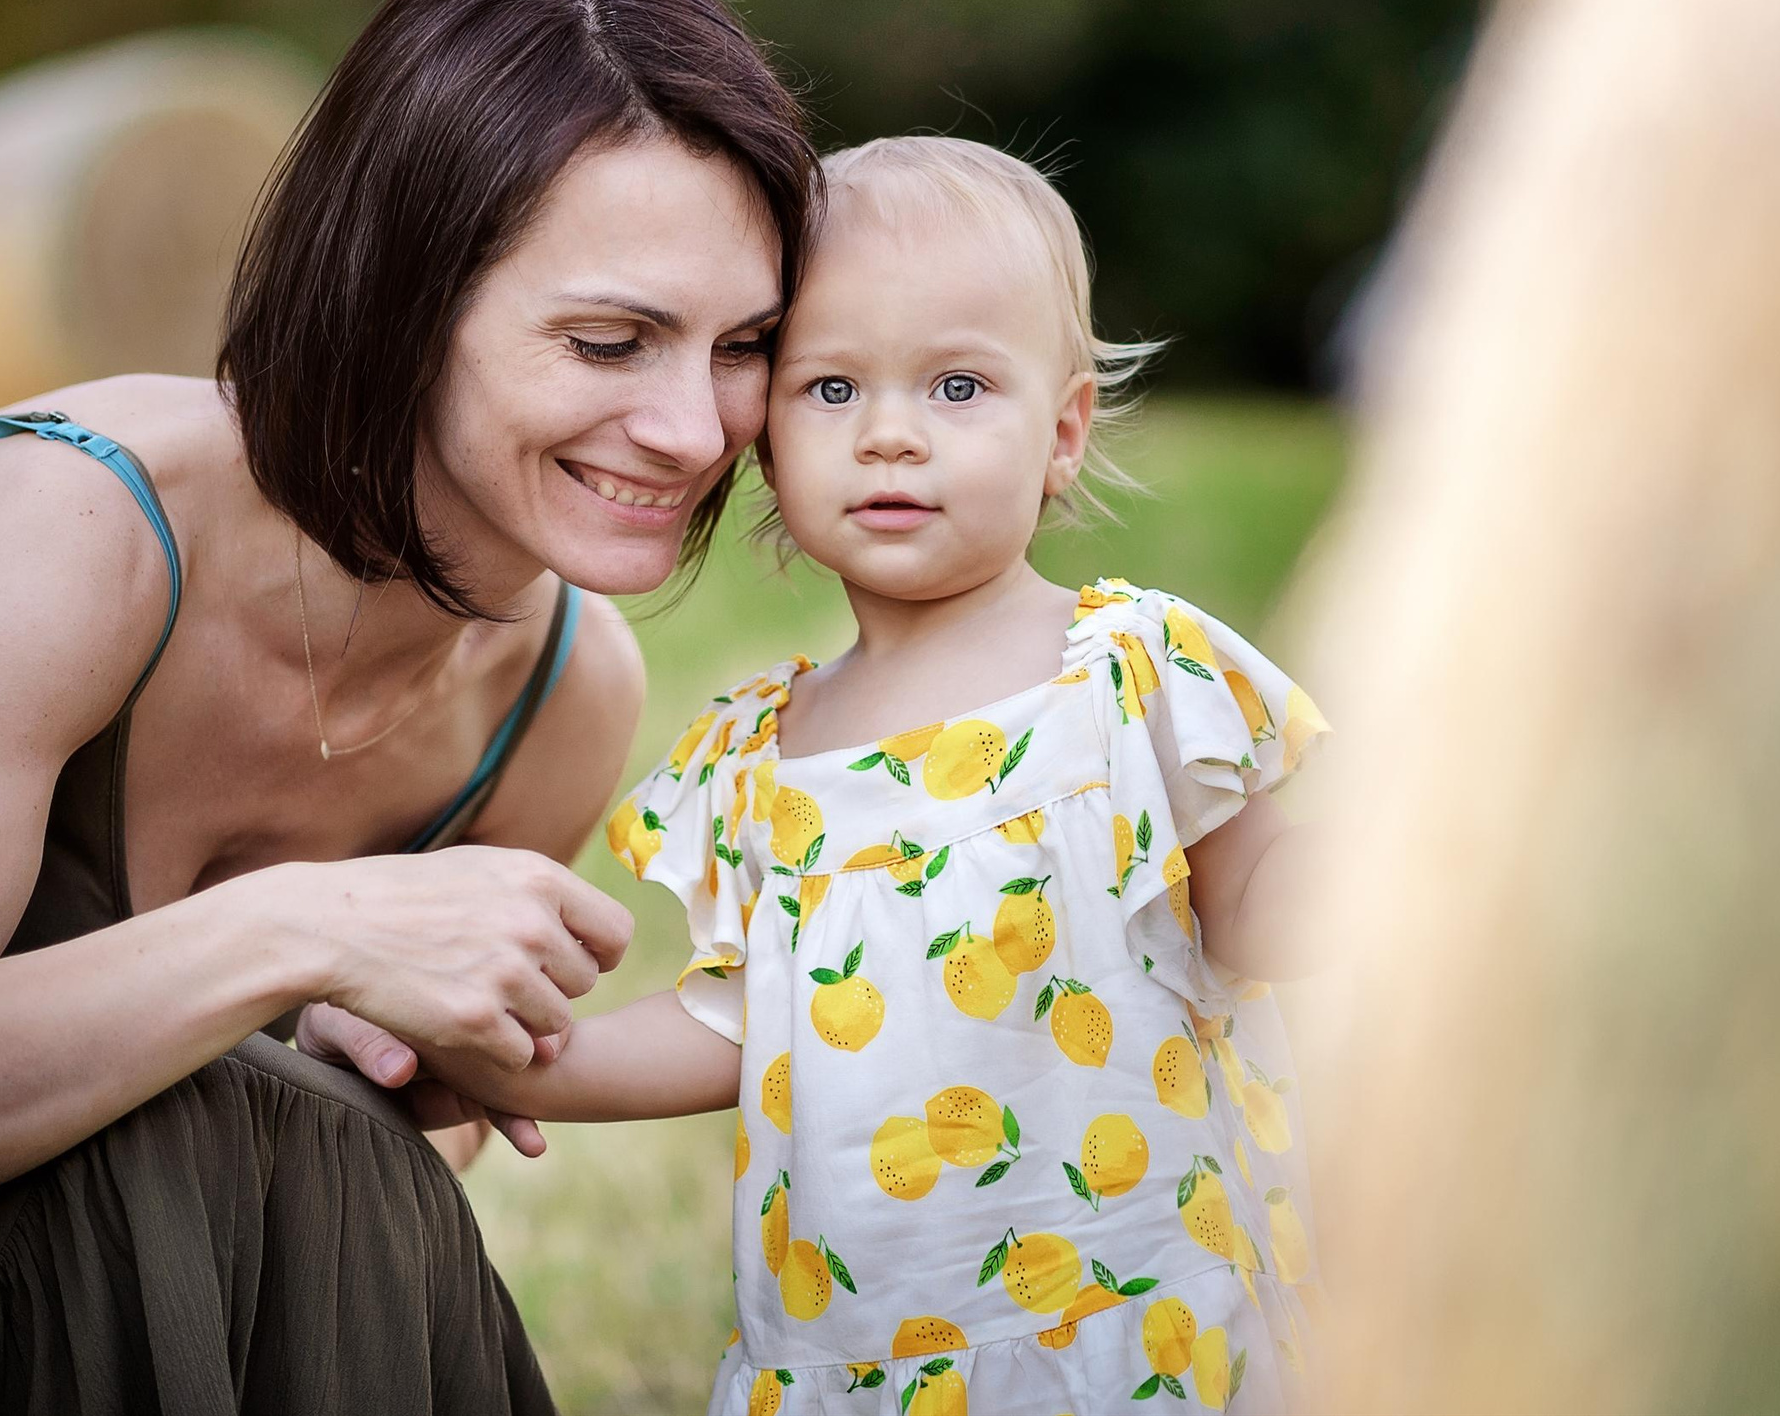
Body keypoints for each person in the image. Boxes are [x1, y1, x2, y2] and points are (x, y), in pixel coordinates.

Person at [0, 0, 819, 1413]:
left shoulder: (561, 697)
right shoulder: (87, 530)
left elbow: (351, 1182)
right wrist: (304, 928)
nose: (699, 433)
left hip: (101, 1297)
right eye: (610, 342)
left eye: (744, 346)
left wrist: (402, 1055)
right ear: (405, 293)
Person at [456, 138, 1330, 1414]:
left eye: (959, 385)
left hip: (1139, 1313)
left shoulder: (1131, 676)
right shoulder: (760, 760)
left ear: (1063, 430)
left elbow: (1252, 901)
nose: (889, 437)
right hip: (863, 1347)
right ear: (761, 440)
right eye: (828, 390)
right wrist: (522, 1062)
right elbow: (736, 1022)